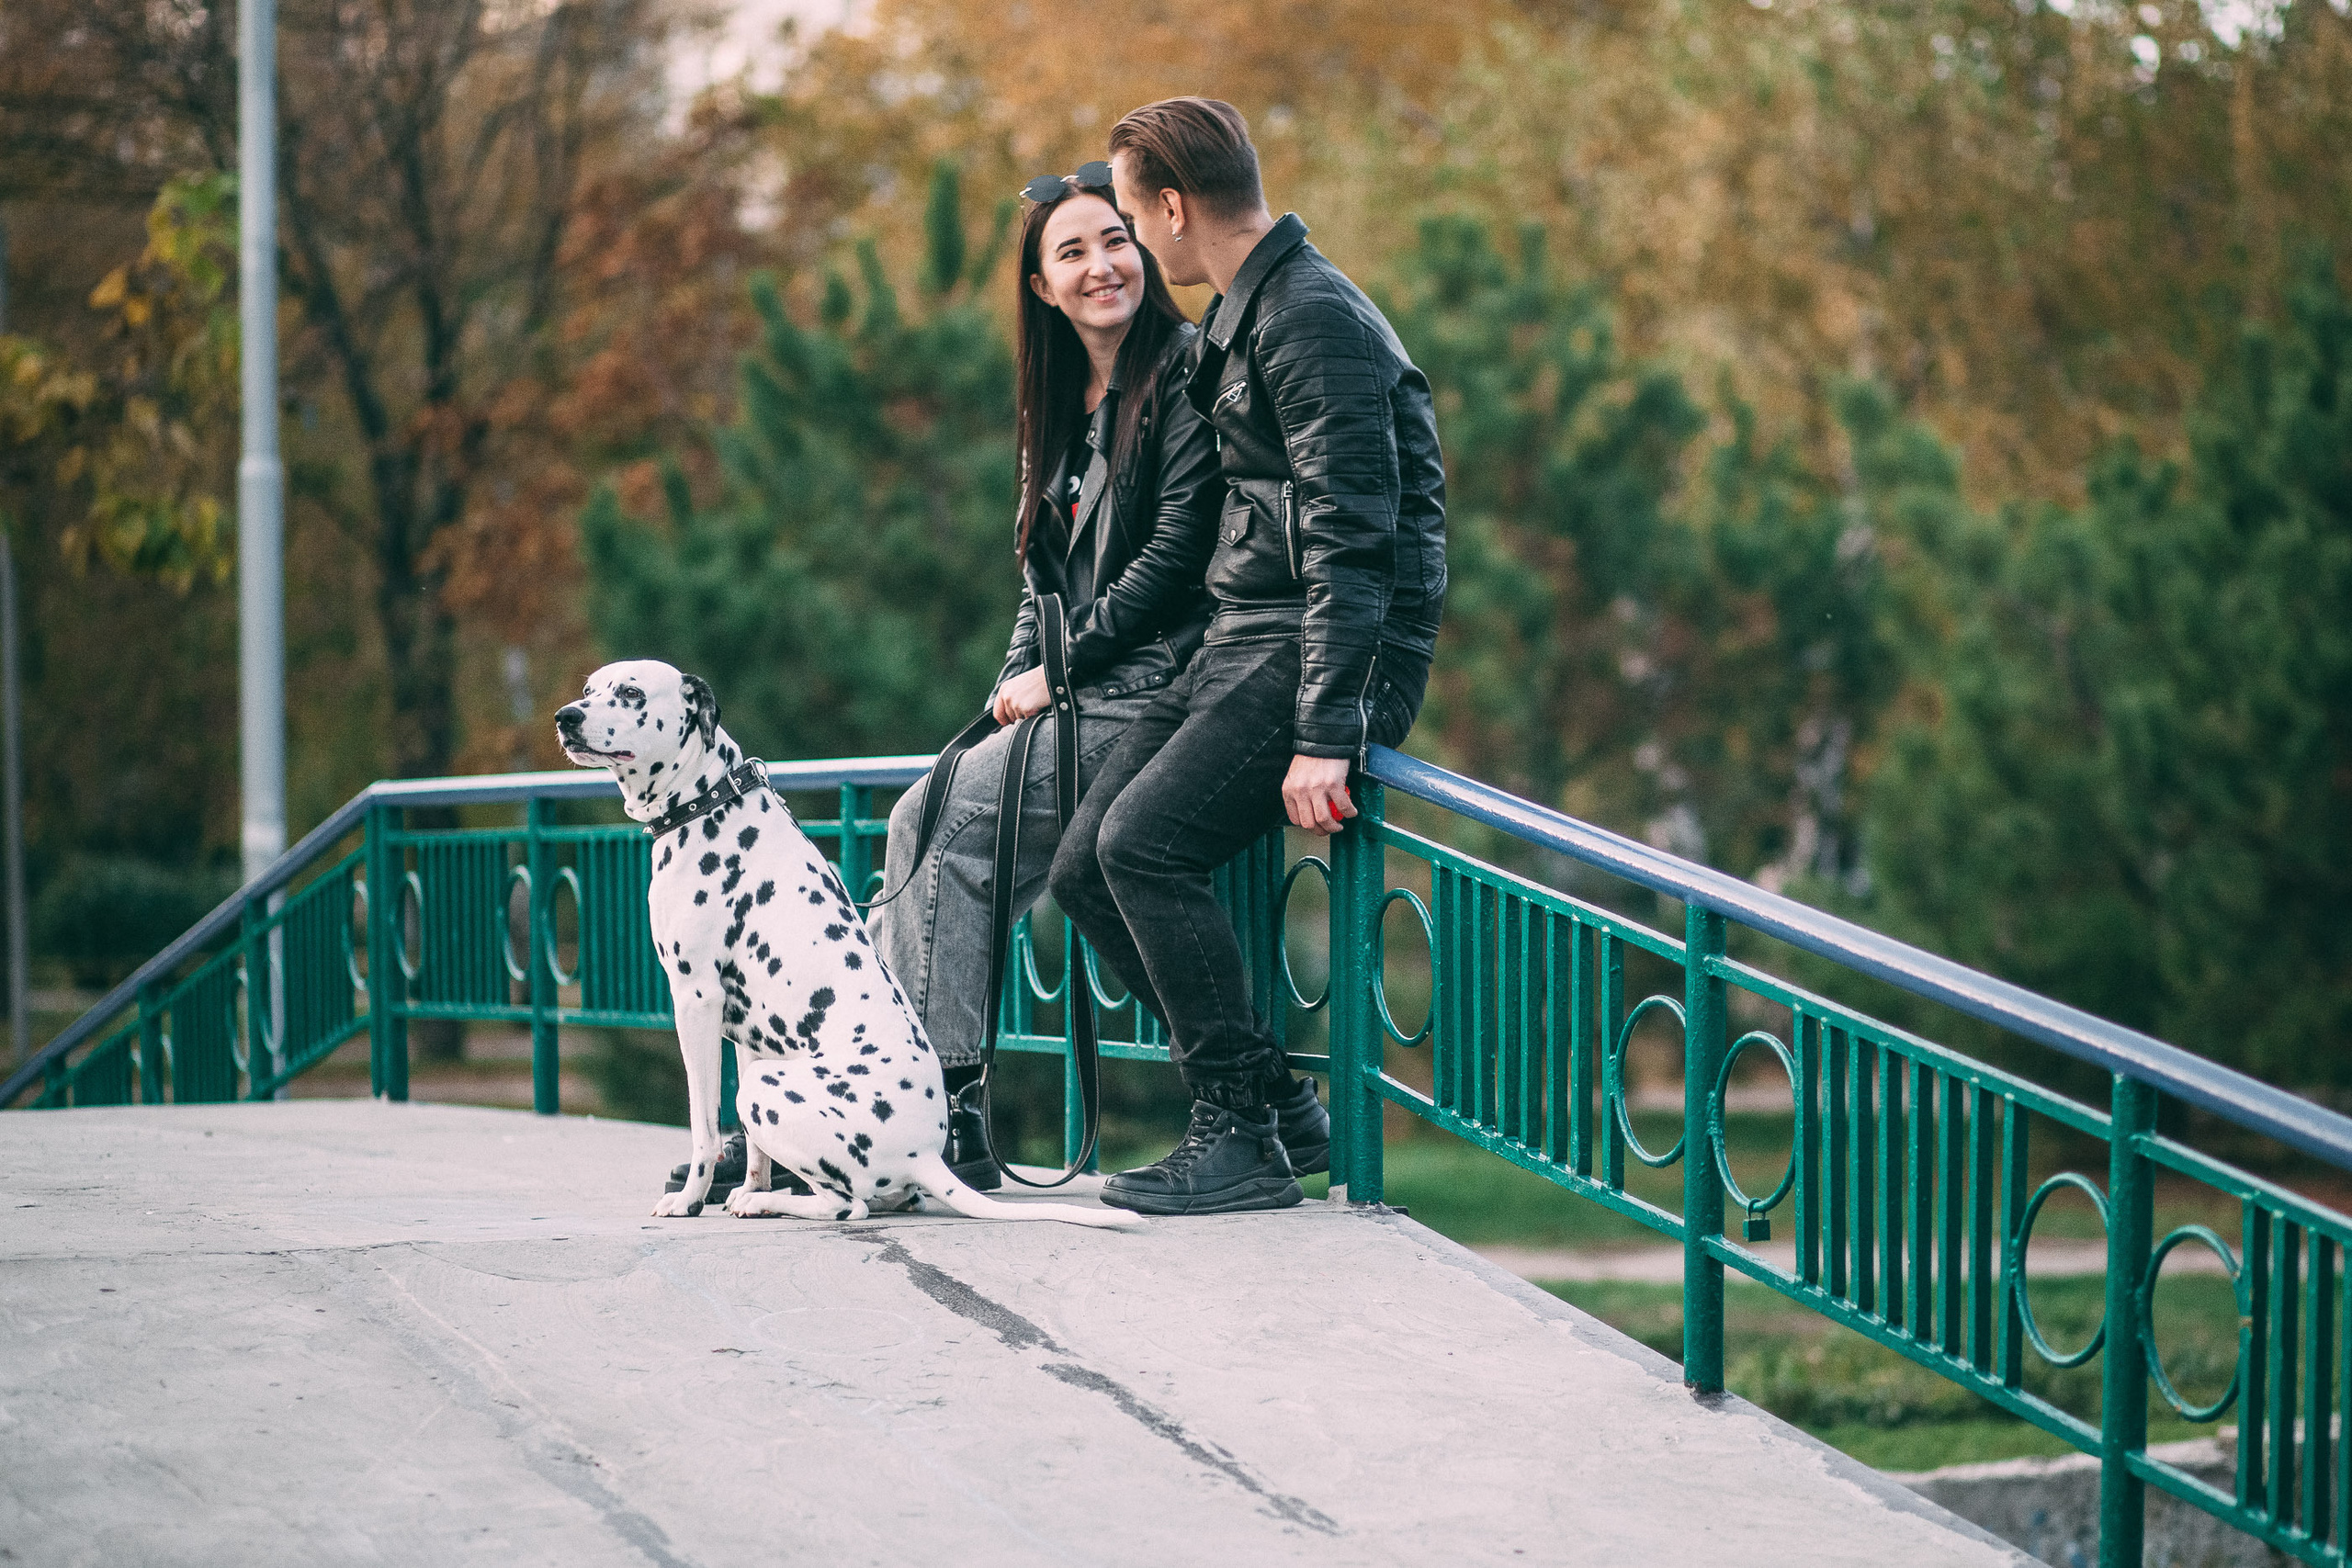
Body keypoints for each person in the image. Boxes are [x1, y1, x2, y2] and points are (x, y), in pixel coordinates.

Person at [1047, 97, 1448, 1215]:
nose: (1132, 240)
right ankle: (1276, 1108)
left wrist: (1330, 733)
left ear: (1171, 209)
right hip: (1249, 637)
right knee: (1086, 870)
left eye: (1130, 217)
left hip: (1325, 652)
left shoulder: (1308, 316)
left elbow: (1352, 535)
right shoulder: (1247, 312)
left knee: (1146, 846)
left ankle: (1237, 1136)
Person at [866, 161, 1224, 1189]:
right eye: (1072, 252)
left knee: (943, 830)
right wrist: (1012, 681)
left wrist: (1058, 675)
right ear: (1041, 286)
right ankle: (933, 1106)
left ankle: (935, 1116)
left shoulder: (1187, 375)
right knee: (920, 818)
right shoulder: (1058, 404)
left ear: (1145, 249)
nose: (1102, 265)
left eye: (1114, 240)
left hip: (1157, 683)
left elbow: (1175, 558)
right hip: (1081, 686)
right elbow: (1040, 579)